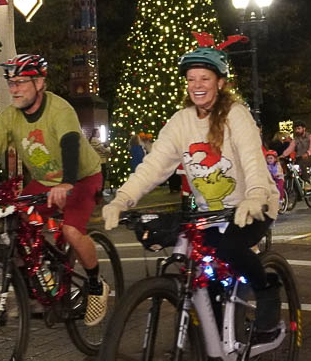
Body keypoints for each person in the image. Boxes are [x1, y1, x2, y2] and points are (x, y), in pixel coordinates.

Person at [101, 41, 282, 341]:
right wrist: (122, 199)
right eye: (191, 79)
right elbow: (154, 165)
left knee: (229, 249)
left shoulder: (235, 115)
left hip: (253, 205)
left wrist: (254, 196)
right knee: (198, 280)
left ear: (220, 83)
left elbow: (252, 158)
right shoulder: (181, 122)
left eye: (205, 79)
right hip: (210, 213)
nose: (196, 85)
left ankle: (267, 290)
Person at [0, 54, 109, 325]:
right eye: (11, 83)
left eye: (21, 82)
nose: (14, 89)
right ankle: (36, 286)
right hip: (45, 181)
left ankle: (95, 283)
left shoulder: (59, 109)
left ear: (40, 82)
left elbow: (70, 143)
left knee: (70, 230)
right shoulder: (10, 117)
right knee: (18, 219)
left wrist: (67, 182)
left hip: (81, 177)